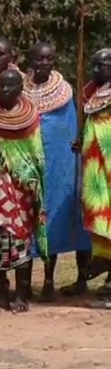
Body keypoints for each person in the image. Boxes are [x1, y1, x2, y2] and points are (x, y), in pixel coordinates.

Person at [0, 69, 46, 311]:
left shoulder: (30, 118)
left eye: (11, 86)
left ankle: (21, 294)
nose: (5, 90)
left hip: (20, 187)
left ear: (20, 89)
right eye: (1, 85)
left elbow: (35, 154)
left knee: (20, 239)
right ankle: (0, 291)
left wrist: (26, 176)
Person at [25, 42, 91, 300]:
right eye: (39, 58)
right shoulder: (21, 90)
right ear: (31, 60)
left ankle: (54, 280)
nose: (44, 63)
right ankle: (27, 282)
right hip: (28, 163)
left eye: (49, 58)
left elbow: (69, 129)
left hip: (59, 165)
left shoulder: (64, 93)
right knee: (31, 219)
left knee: (56, 216)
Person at [79, 47, 111, 295]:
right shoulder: (92, 94)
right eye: (96, 65)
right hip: (95, 173)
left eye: (105, 65)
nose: (99, 69)